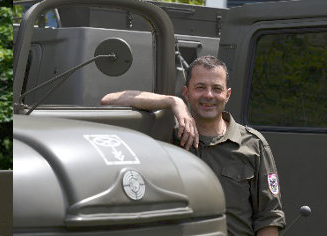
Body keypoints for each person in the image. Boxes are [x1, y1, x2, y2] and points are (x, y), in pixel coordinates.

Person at [101, 56, 285, 236]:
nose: (209, 95)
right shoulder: (169, 135)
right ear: (187, 92)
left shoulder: (253, 144)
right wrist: (173, 102)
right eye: (200, 87)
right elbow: (109, 99)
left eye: (217, 89)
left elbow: (268, 218)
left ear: (227, 95)